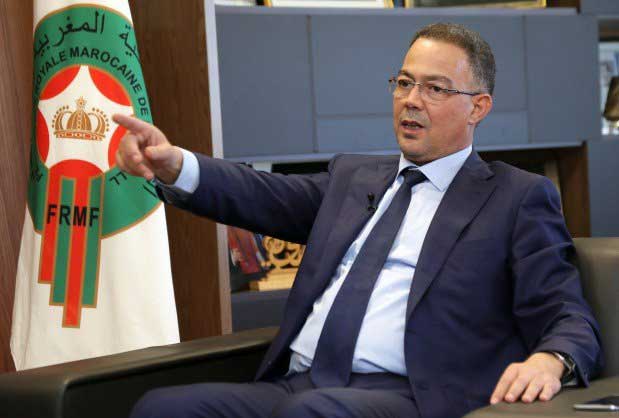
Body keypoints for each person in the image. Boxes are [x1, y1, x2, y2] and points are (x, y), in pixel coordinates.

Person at [113, 23, 602, 418]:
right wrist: (174, 164)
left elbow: (565, 311)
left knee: (313, 413)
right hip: (297, 384)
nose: (411, 99)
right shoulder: (353, 177)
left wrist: (551, 359)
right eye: (404, 83)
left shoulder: (516, 197)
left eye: (434, 88)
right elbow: (261, 194)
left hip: (411, 395)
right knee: (163, 407)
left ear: (478, 107)